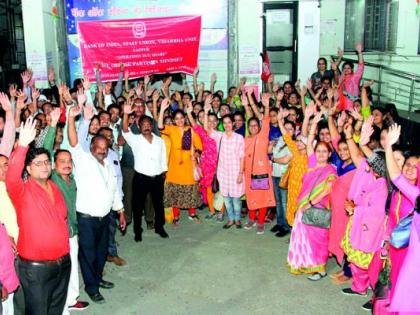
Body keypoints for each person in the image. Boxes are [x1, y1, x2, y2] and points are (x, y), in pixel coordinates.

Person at [6, 117, 71, 314]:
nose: (44, 166)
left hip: (63, 263)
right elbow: (11, 176)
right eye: (38, 163)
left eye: (46, 162)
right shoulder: (21, 191)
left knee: (55, 310)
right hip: (36, 269)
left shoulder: (55, 187)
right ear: (28, 169)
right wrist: (23, 145)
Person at [67, 105, 126, 304]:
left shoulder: (108, 164)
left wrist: (121, 211)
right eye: (98, 148)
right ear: (91, 148)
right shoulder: (83, 160)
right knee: (88, 255)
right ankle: (91, 287)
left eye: (104, 148)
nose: (102, 151)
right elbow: (74, 142)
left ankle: (98, 279)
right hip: (86, 219)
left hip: (105, 217)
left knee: (101, 253)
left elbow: (114, 190)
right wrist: (70, 118)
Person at [340, 120, 388, 297]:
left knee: (372, 262)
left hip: (373, 230)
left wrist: (355, 209)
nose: (373, 166)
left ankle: (375, 293)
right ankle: (359, 287)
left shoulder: (386, 185)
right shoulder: (366, 170)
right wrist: (348, 136)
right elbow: (355, 155)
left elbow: (377, 213)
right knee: (355, 258)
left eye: (377, 164)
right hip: (357, 221)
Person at [287, 112, 337, 281]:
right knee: (305, 236)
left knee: (319, 239)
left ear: (329, 154)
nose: (321, 154)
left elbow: (327, 190)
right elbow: (308, 143)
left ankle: (321, 269)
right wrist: (313, 123)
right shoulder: (313, 164)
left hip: (318, 208)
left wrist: (310, 202)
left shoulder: (330, 170)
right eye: (319, 151)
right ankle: (306, 263)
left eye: (325, 151)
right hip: (304, 206)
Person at [382, 124, 419, 304]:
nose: (412, 169)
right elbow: (396, 175)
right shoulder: (416, 195)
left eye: (416, 167)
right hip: (414, 265)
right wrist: (388, 146)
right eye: (409, 165)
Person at [122, 103, 169, 242]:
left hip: (157, 177)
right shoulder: (135, 140)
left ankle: (160, 227)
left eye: (149, 124)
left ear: (152, 126)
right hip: (141, 178)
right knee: (137, 205)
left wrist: (163, 172)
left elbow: (163, 158)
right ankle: (138, 231)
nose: (147, 126)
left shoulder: (159, 141)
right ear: (139, 127)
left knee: (158, 204)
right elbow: (125, 130)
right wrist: (125, 113)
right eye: (144, 124)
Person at [52, 149, 90, 312]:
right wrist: (53, 125)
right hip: (59, 233)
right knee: (60, 271)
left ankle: (72, 299)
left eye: (69, 161)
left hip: (73, 231)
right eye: (62, 161)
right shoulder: (53, 179)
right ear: (54, 165)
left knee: (73, 266)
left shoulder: (72, 180)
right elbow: (47, 148)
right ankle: (60, 304)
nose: (67, 164)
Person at [158, 99, 203, 224]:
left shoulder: (191, 130)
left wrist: (196, 154)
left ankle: (192, 214)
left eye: (181, 118)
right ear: (173, 120)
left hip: (189, 166)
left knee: (191, 191)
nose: (179, 120)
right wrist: (162, 109)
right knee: (175, 192)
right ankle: (176, 216)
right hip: (174, 167)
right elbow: (160, 126)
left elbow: (199, 146)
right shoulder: (171, 129)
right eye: (176, 118)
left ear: (185, 118)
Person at [327, 111, 357, 285]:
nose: (343, 152)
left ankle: (349, 272)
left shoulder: (356, 166)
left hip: (348, 211)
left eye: (347, 149)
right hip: (337, 211)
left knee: (349, 240)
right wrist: (330, 118)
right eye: (341, 149)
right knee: (340, 237)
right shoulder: (341, 163)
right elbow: (335, 138)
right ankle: (345, 267)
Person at [243, 94, 276, 234]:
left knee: (262, 198)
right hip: (249, 173)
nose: (253, 128)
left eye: (256, 125)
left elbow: (266, 120)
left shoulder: (263, 136)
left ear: (259, 126)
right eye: (250, 126)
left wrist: (267, 106)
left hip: (262, 173)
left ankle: (261, 222)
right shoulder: (245, 140)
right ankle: (251, 218)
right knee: (251, 197)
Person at [217, 114, 245, 228]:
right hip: (223, 173)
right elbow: (206, 130)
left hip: (235, 172)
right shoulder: (220, 136)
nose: (227, 125)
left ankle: (237, 219)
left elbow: (242, 156)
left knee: (236, 199)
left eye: (229, 122)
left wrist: (240, 173)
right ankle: (231, 219)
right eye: (224, 123)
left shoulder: (239, 137)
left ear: (233, 123)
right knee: (227, 199)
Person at [338, 43, 364, 111]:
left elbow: (361, 66)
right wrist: (340, 57)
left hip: (352, 107)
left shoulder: (354, 78)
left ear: (352, 69)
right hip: (341, 107)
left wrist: (360, 53)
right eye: (345, 68)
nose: (346, 70)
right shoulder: (341, 78)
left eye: (348, 68)